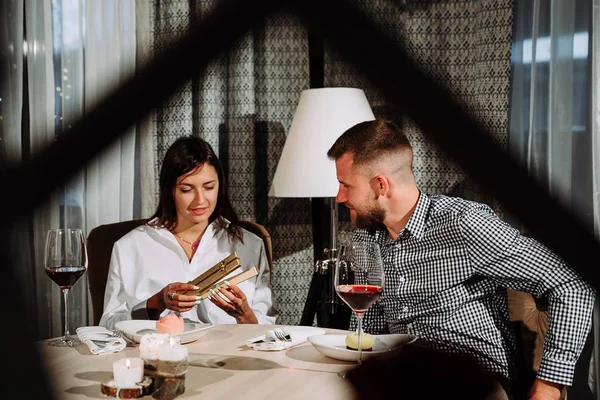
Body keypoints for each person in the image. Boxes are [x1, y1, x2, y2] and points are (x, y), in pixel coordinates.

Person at [326, 119, 595, 400]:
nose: (339, 197)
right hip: (400, 373)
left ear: (381, 185)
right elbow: (370, 323)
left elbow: (571, 282)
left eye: (346, 185)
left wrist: (550, 386)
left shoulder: (465, 225)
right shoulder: (368, 235)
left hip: (471, 377)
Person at [99, 135, 277, 329]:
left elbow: (268, 332)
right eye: (186, 190)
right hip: (157, 356)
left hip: (229, 357)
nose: (200, 200)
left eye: (209, 187)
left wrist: (245, 316)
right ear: (170, 190)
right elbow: (108, 327)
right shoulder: (130, 247)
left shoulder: (249, 245)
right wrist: (156, 303)